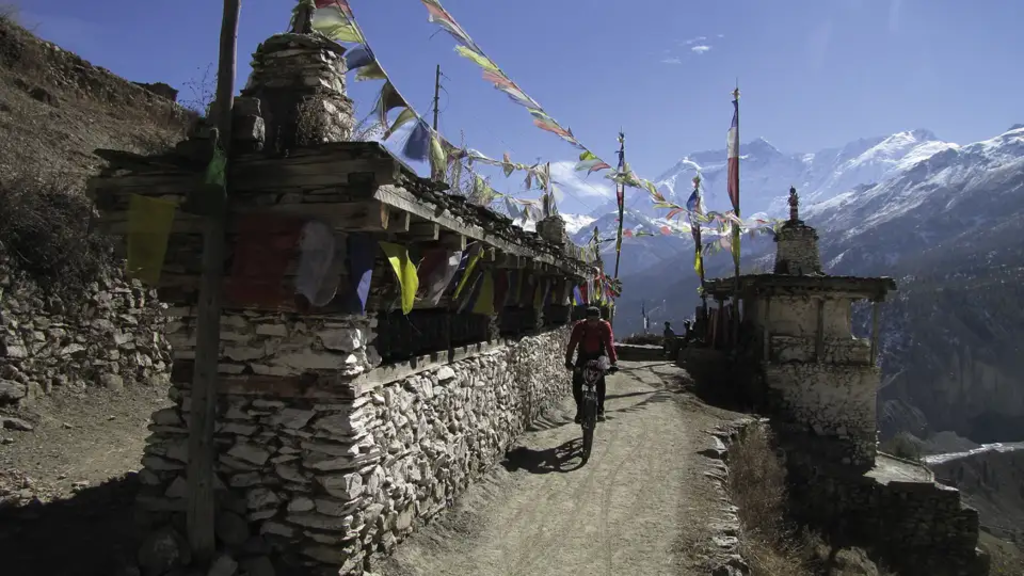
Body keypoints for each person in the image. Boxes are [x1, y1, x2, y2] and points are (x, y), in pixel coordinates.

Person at [564, 306, 617, 422]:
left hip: (599, 355)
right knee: (577, 381)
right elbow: (572, 344)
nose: (593, 323)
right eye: (590, 320)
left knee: (600, 380)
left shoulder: (604, 326)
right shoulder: (580, 327)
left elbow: (609, 344)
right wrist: (568, 361)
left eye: (596, 320)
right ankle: (580, 409)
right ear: (586, 319)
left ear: (599, 319)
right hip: (584, 355)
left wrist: (613, 362)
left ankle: (600, 409)